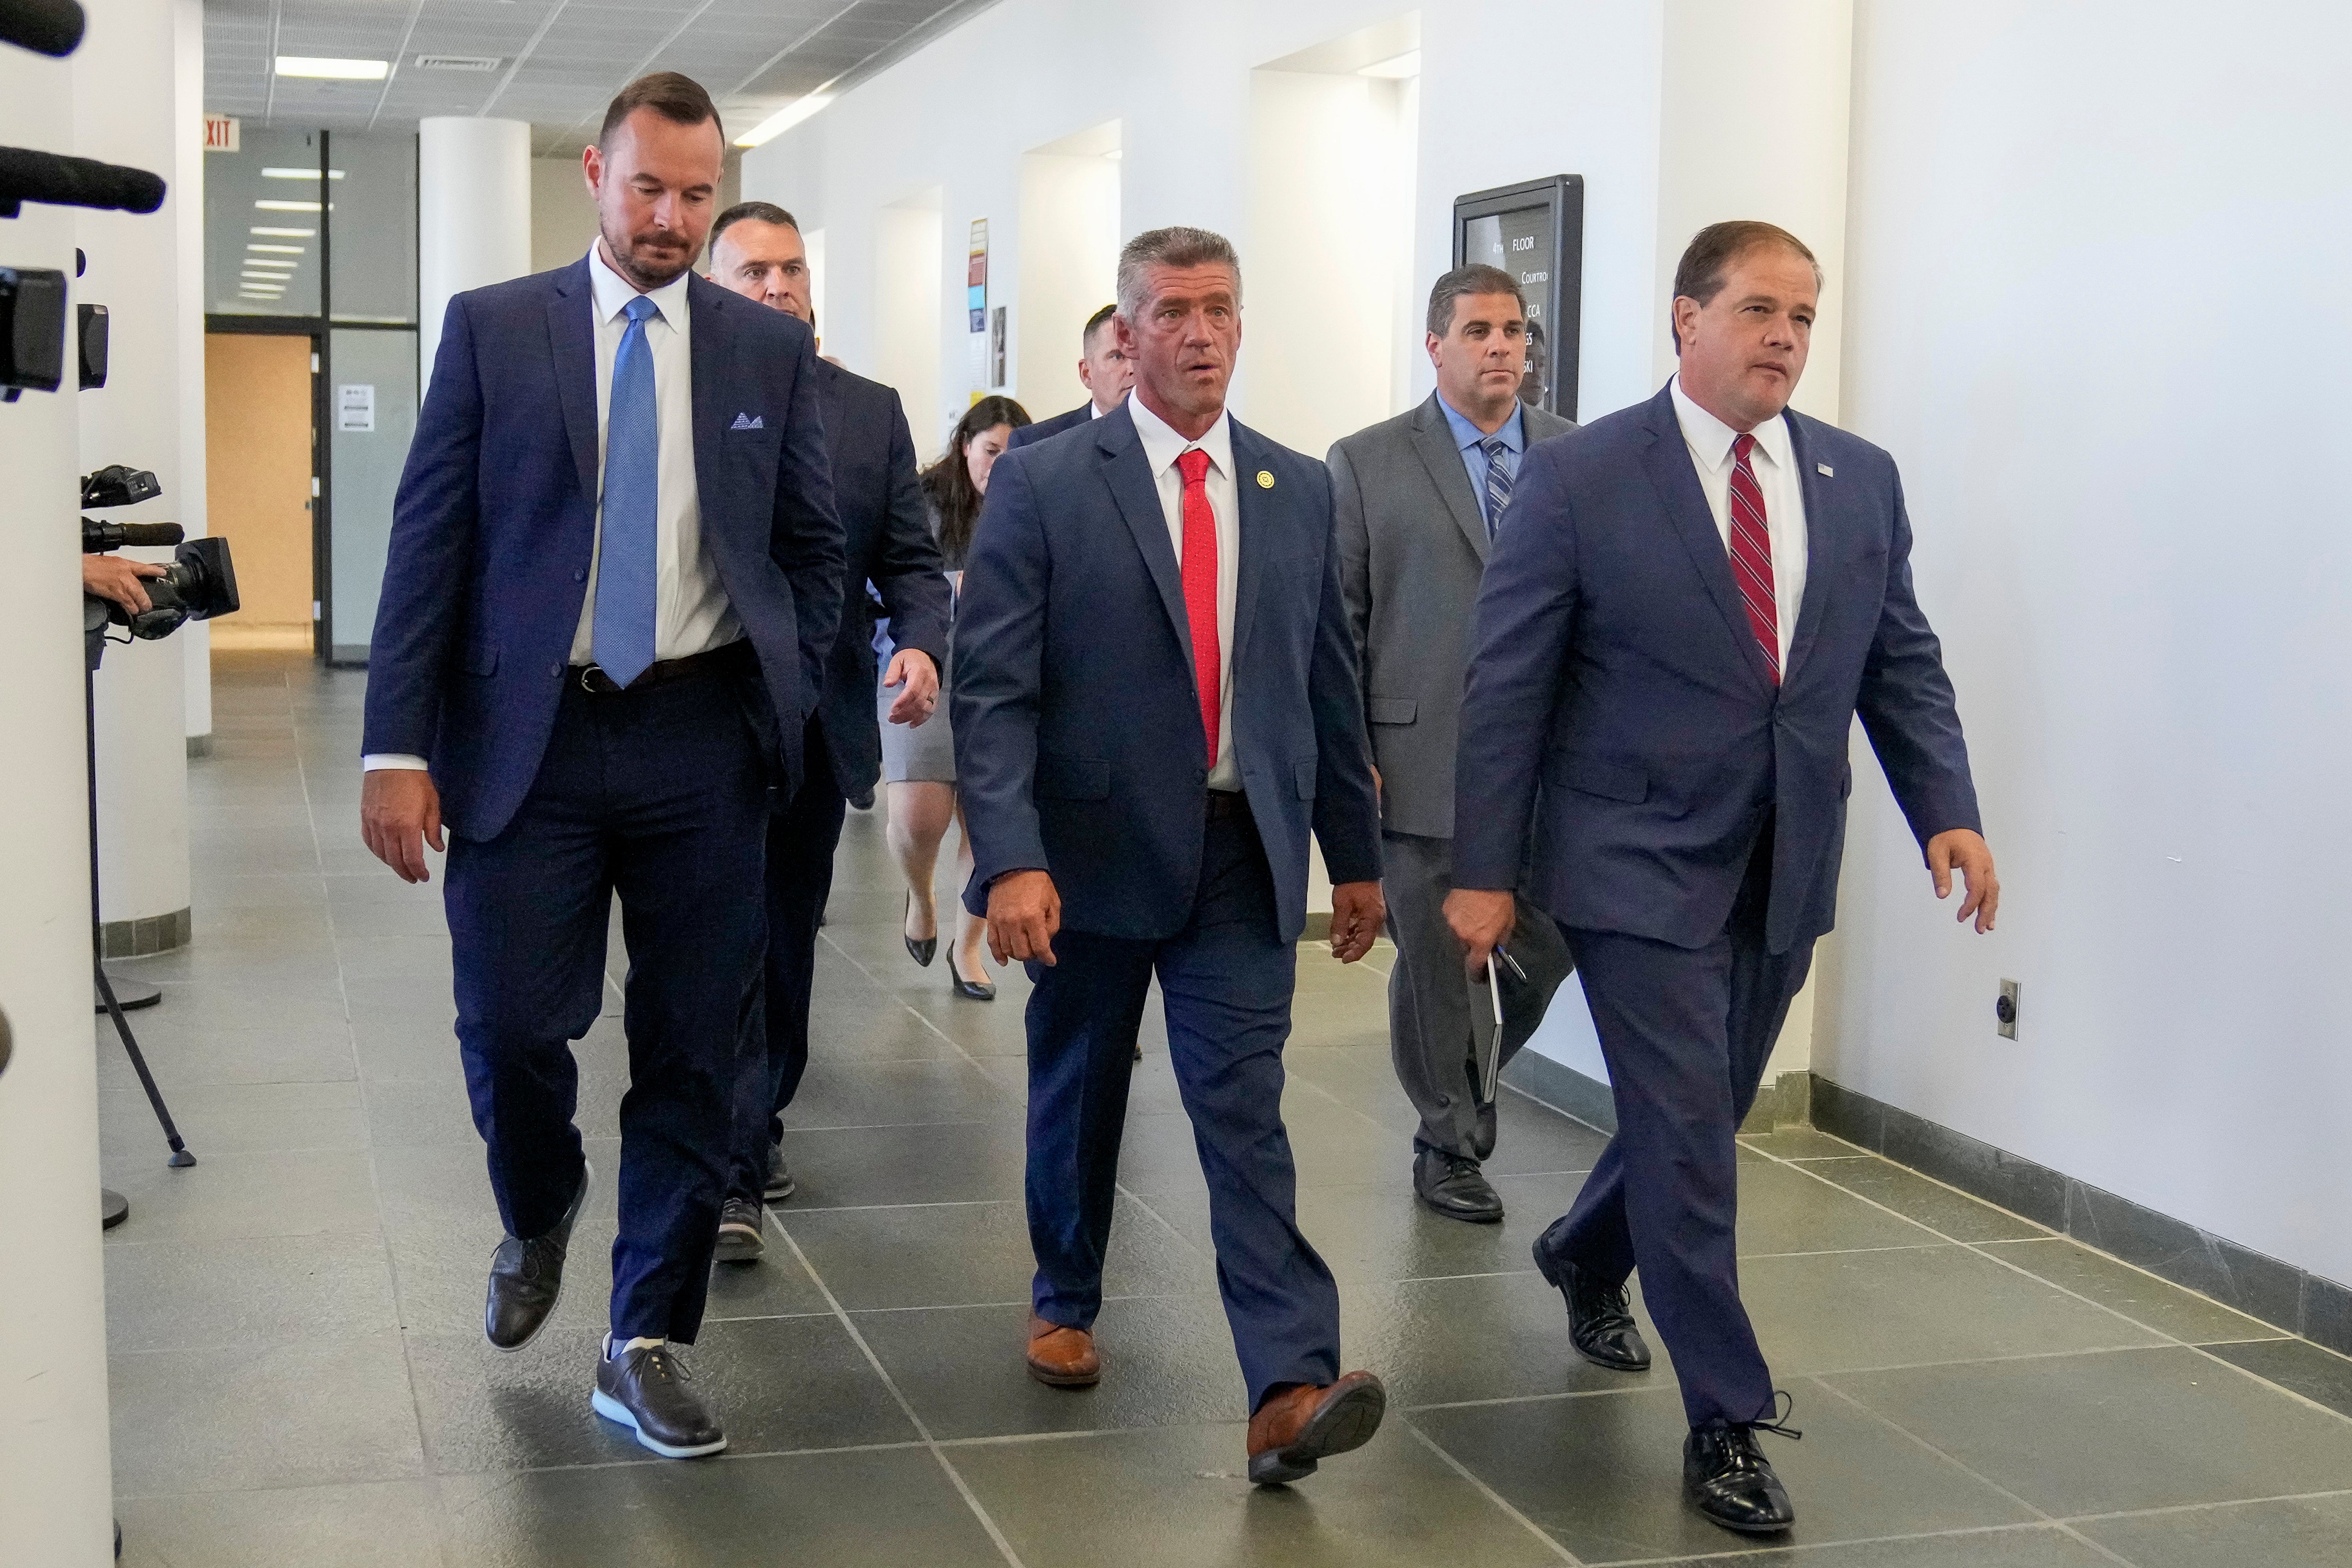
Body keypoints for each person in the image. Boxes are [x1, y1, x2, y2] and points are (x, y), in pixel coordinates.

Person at [1446, 220, 2000, 1535]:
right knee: (1692, 1133)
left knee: (1700, 1113)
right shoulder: (1582, 480)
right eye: (1758, 309)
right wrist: (1484, 871)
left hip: (1785, 856)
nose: (1785, 338)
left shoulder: (1857, 479)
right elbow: (1506, 684)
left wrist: (1950, 813)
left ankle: (1584, 1251)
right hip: (1628, 861)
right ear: (1684, 319)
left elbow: (1896, 662)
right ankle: (1728, 1420)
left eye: (1804, 316)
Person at [356, 73, 843, 1462]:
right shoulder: (498, 331)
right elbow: (427, 551)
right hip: (532, 738)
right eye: (651, 188)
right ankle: (541, 1202)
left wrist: (785, 699)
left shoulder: (762, 350)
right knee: (511, 1025)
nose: (674, 217)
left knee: (696, 1049)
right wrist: (397, 745)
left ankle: (647, 1339)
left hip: (702, 736)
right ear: (595, 174)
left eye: (699, 193)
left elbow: (810, 545)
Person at [955, 225, 1390, 1486]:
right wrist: (1010, 859)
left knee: (1241, 1105)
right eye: (1171, 312)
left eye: (1218, 309)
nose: (1199, 333)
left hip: (1240, 853)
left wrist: (1352, 860)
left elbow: (1326, 687)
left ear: (1241, 326)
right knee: (1081, 1088)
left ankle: (1287, 1382)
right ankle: (1065, 1290)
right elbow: (993, 690)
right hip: (1084, 858)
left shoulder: (1295, 486)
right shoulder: (1044, 480)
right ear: (1126, 333)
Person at [701, 200, 952, 1263]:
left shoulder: (868, 411)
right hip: (690, 718)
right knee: (709, 943)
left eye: (793, 270)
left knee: (782, 936)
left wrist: (918, 644)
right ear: (711, 287)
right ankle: (731, 1156)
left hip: (811, 720)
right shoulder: (671, 393)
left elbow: (907, 557)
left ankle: (755, 1119)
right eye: (754, 272)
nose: (779, 289)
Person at [1329, 264, 1576, 1224]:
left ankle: (1458, 1079)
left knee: (1542, 944)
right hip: (1417, 750)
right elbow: (1339, 621)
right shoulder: (1367, 460)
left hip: (1553, 761)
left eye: (1514, 330)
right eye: (1478, 330)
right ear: (1435, 345)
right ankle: (1449, 1140)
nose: (1502, 347)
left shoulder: (1575, 455)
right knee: (1438, 956)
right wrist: (1354, 751)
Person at [883, 394, 1031, 1003]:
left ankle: (967, 948)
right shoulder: (924, 500)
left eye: (1009, 453)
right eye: (989, 450)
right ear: (965, 444)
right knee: (921, 817)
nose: (997, 464)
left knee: (986, 823)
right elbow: (893, 576)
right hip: (924, 662)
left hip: (1001, 674)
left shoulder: (1032, 498)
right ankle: (920, 898)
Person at [1007, 302, 1132, 449]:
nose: (1132, 368)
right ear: (1087, 374)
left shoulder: (1164, 436)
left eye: (1138, 355)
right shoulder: (1036, 443)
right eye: (1117, 357)